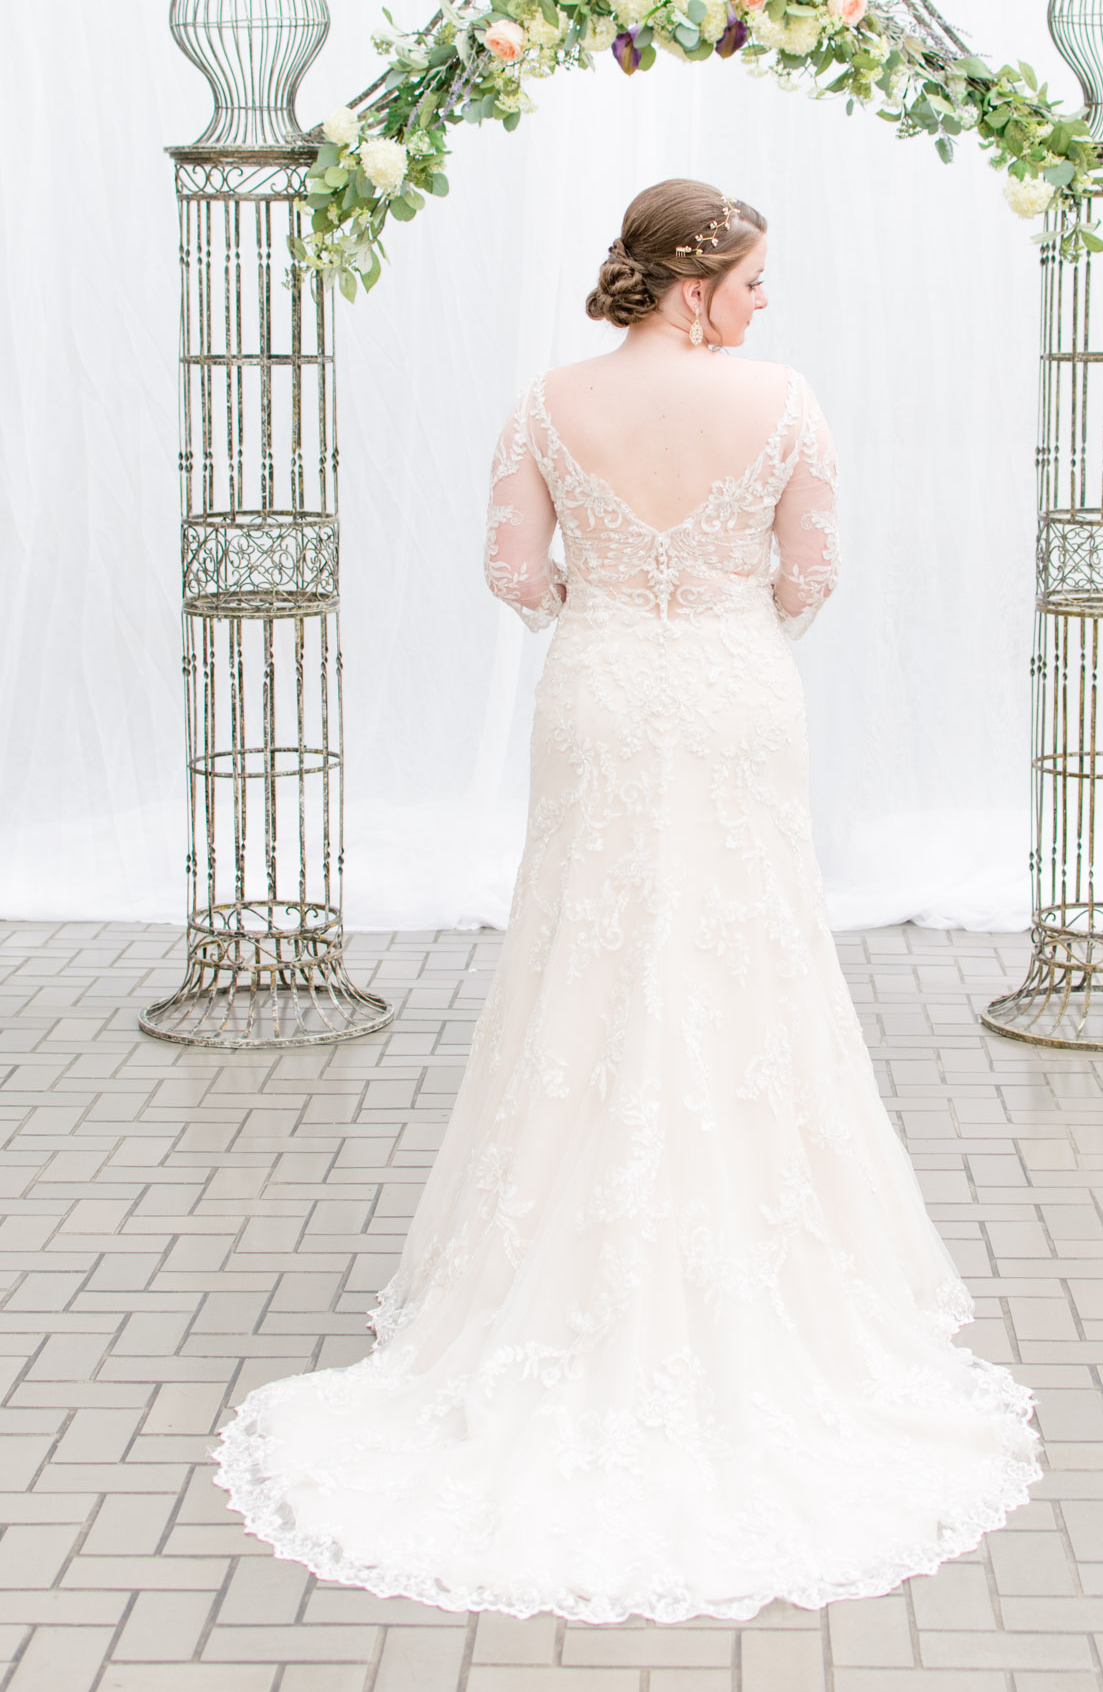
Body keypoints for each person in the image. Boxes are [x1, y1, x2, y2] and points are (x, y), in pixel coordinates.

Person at [212, 178, 1039, 1623]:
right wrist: (715, 614)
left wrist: (604, 611)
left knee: (579, 973)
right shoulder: (783, 402)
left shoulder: (547, 401)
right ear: (692, 281)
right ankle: (762, 1274)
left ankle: (552, 1264)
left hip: (595, 697)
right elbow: (810, 577)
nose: (766, 300)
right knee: (746, 964)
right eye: (753, 276)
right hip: (730, 700)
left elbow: (509, 574)